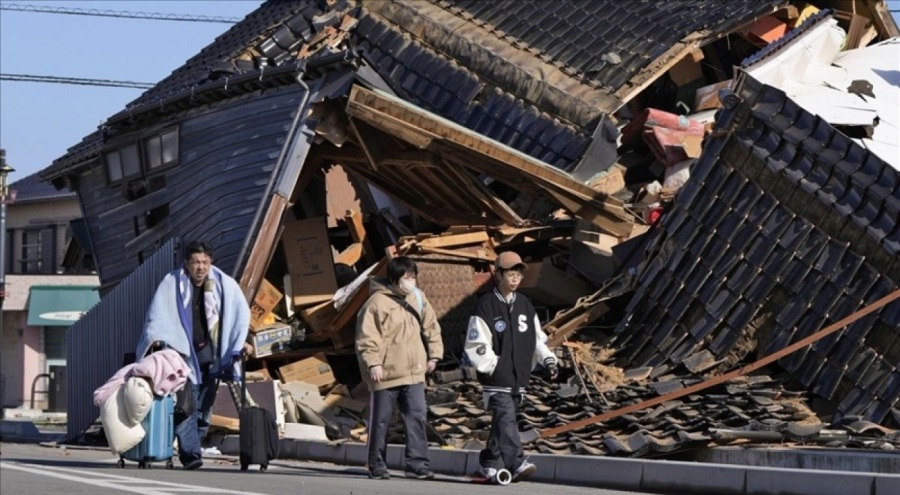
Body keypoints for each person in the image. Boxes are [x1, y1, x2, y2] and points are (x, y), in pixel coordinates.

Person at [136, 240, 250, 470]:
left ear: (211, 263)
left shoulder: (223, 284)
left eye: (205, 262)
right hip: (182, 355)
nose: (200, 267)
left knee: (204, 410)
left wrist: (240, 342)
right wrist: (156, 338)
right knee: (187, 404)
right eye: (196, 262)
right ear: (187, 263)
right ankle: (191, 454)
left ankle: (192, 445)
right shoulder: (172, 283)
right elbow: (158, 314)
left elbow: (238, 314)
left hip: (211, 353)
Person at [464, 251, 558, 483]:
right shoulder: (486, 305)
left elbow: (537, 339)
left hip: (519, 378)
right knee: (506, 419)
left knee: (502, 424)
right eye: (510, 273)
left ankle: (487, 463)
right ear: (498, 274)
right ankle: (516, 462)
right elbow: (476, 343)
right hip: (496, 378)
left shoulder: (525, 306)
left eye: (518, 274)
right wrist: (494, 366)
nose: (515, 278)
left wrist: (548, 359)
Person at [355, 256, 443, 480]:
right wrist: (373, 363)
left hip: (414, 371)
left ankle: (417, 464)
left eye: (413, 277)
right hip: (386, 373)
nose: (411, 282)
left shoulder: (418, 298)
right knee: (381, 420)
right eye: (407, 277)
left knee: (417, 416)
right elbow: (367, 338)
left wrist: (434, 355)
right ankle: (377, 463)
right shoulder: (376, 303)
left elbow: (431, 326)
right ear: (395, 279)